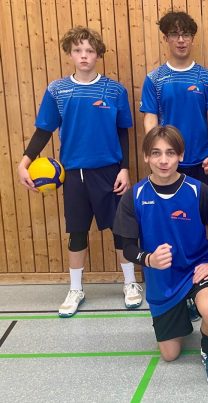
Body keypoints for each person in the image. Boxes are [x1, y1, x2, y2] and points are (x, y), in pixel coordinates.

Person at [16, 26, 142, 318]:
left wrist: (124, 168)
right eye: (78, 50)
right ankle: (76, 289)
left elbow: (123, 132)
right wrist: (24, 162)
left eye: (89, 50)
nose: (84, 55)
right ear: (70, 54)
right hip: (74, 175)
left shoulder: (115, 90)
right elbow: (44, 130)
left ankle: (130, 282)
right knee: (76, 232)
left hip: (109, 172)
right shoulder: (57, 90)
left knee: (121, 230)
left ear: (98, 54)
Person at [113, 125, 208, 388]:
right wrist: (149, 259)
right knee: (170, 355)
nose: (163, 160)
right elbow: (127, 247)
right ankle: (184, 307)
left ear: (180, 155)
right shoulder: (134, 196)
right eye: (156, 153)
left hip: (196, 271)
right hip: (162, 280)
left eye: (170, 153)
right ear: (146, 156)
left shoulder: (198, 190)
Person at [140, 11, 208, 298]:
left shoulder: (206, 78)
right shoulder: (155, 79)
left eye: (186, 34)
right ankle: (178, 271)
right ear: (166, 38)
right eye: (175, 34)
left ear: (192, 38)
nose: (181, 40)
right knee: (174, 218)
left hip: (202, 161)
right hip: (169, 165)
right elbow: (150, 119)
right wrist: (156, 156)